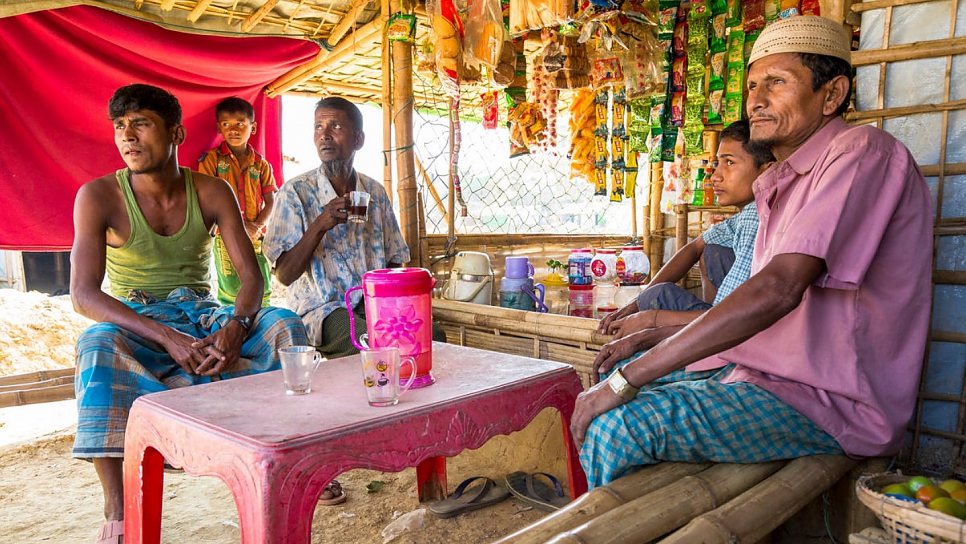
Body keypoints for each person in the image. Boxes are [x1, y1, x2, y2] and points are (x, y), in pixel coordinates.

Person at [571, 15, 933, 489]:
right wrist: (640, 348)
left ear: (833, 93)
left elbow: (778, 290)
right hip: (762, 374)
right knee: (612, 375)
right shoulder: (782, 182)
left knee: (617, 424)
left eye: (776, 83)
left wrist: (632, 376)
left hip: (828, 400)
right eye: (752, 86)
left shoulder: (862, 152)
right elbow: (751, 305)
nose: (755, 101)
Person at [69, 84, 309, 544]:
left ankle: (296, 462)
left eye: (141, 124)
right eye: (120, 127)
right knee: (96, 343)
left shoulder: (212, 190)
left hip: (202, 314)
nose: (128, 137)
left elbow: (251, 277)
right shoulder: (97, 196)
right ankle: (119, 514)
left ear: (175, 132)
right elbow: (83, 295)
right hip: (139, 320)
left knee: (285, 325)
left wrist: (237, 326)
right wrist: (165, 337)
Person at [263, 97, 445, 360]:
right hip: (323, 312)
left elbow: (395, 263)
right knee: (375, 344)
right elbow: (284, 275)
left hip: (375, 306)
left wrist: (401, 306)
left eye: (335, 126)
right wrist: (320, 224)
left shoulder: (374, 193)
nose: (324, 135)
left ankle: (409, 393)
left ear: (358, 139)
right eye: (318, 127)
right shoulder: (295, 193)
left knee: (433, 336)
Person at [596, 120, 774, 360]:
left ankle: (709, 356)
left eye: (730, 163)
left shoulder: (756, 217)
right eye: (717, 163)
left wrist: (650, 317)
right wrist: (636, 303)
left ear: (767, 171)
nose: (716, 176)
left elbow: (726, 316)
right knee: (712, 250)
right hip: (731, 318)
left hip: (741, 330)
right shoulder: (748, 214)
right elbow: (695, 246)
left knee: (657, 297)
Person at [199, 96, 276, 306]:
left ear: (253, 128)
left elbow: (271, 201)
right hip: (225, 235)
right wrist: (239, 227)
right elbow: (206, 201)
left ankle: (263, 323)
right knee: (231, 286)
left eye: (240, 124)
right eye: (226, 124)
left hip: (255, 235)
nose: (233, 130)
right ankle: (230, 325)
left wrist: (257, 226)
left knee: (262, 282)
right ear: (218, 128)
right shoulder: (211, 160)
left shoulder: (261, 165)